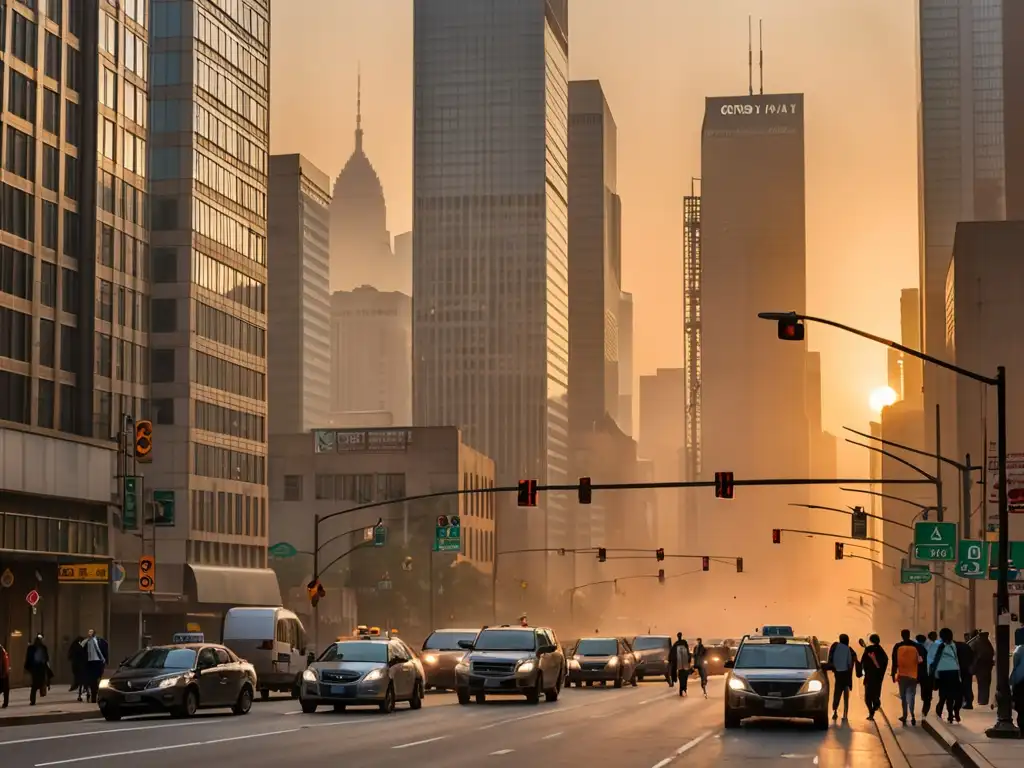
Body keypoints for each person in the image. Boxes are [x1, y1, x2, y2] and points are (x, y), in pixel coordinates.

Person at [929, 627, 962, 725]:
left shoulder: (941, 646)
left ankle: (939, 713)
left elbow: (936, 660)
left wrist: (933, 674)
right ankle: (951, 715)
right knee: (952, 695)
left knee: (943, 695)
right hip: (954, 672)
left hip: (943, 672)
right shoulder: (954, 645)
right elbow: (957, 658)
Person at [892, 629, 923, 726]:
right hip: (913, 675)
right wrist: (920, 676)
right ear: (909, 635)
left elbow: (894, 661)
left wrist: (893, 674)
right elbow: (921, 661)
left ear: (901, 635)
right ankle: (913, 715)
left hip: (902, 675)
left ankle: (904, 715)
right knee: (912, 695)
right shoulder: (916, 646)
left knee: (903, 696)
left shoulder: (898, 646)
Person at [828, 634, 858, 721]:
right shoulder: (848, 649)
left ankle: (835, 711)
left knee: (837, 692)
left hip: (838, 674)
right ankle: (845, 714)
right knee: (846, 694)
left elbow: (830, 658)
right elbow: (849, 662)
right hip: (846, 675)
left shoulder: (835, 646)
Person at [860, 634, 888, 720]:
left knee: (868, 697)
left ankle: (871, 712)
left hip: (869, 676)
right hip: (878, 677)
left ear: (871, 640)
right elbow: (885, 662)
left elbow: (863, 662)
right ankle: (876, 704)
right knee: (875, 694)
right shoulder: (881, 651)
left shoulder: (868, 649)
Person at [80, 629, 108, 703]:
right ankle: (93, 696)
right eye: (89, 632)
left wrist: (103, 659)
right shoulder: (86, 641)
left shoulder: (98, 641)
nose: (89, 633)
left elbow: (101, 650)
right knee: (92, 680)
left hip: (97, 662)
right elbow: (81, 647)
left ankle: (96, 695)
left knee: (97, 680)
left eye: (91, 632)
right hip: (90, 663)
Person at [969, 630, 995, 708]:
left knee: (981, 683)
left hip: (980, 666)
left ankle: (982, 700)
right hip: (987, 666)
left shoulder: (976, 642)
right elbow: (992, 652)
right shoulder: (987, 642)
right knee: (986, 683)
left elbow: (970, 651)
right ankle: (984, 700)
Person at [23, 634, 51, 705]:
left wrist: (47, 666)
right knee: (35, 684)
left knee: (42, 681)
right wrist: (27, 667)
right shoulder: (31, 648)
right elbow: (28, 658)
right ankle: (33, 700)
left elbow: (46, 657)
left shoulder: (44, 648)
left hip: (41, 666)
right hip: (35, 667)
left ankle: (42, 691)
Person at [1010, 626, 1024, 732]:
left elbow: (1016, 667)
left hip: (1021, 680)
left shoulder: (1019, 650)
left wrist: (1013, 681)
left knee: (1021, 706)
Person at [957, 632, 976, 710]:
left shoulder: (954, 647)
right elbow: (972, 656)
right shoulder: (966, 646)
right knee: (968, 685)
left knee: (960, 686)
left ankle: (963, 702)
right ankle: (969, 702)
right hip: (968, 668)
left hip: (960, 668)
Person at [923, 631, 939, 717]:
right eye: (935, 636)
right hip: (930, 671)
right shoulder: (932, 645)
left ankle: (925, 706)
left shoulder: (925, 644)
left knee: (926, 690)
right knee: (928, 692)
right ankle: (925, 708)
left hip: (925, 671)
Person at [67, 636, 86, 700]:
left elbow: (70, 655)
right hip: (82, 665)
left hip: (77, 664)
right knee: (82, 677)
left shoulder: (74, 646)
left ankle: (79, 687)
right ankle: (83, 688)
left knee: (78, 677)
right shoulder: (84, 646)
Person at [0, 640, 10, 708]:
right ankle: (5, 702)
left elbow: (5, 663)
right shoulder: (3, 652)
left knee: (4, 689)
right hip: (3, 673)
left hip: (3, 673)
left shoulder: (2, 652)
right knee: (5, 689)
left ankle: (5, 702)